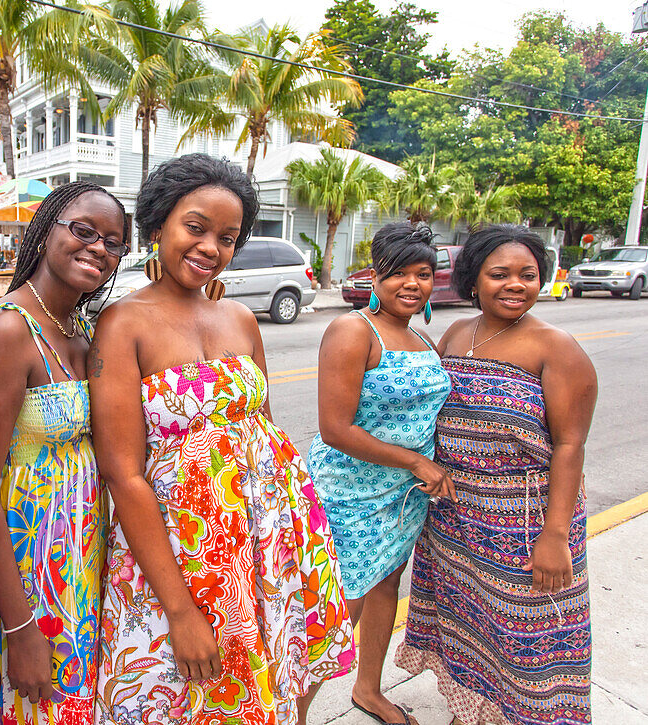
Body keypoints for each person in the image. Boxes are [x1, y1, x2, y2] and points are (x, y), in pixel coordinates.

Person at [89, 153, 355, 725]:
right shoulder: (122, 324)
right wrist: (180, 611)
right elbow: (123, 474)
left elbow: (261, 428)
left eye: (228, 238)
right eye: (196, 227)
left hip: (270, 539)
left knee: (273, 683)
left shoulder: (240, 318)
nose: (211, 247)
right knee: (177, 694)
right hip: (183, 552)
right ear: (158, 224)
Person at [396, 225, 596, 725]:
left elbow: (570, 447)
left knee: (528, 645)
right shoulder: (458, 333)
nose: (515, 285)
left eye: (528, 275)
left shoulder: (557, 347)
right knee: (473, 629)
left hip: (524, 525)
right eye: (499, 274)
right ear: (473, 280)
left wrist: (554, 537)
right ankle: (476, 712)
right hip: (456, 523)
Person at [0, 182, 130, 723]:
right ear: (46, 228)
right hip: (31, 573)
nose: (98, 248)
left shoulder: (78, 330)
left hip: (82, 558)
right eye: (83, 230)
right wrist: (19, 627)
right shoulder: (8, 329)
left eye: (113, 242)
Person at [305, 222, 453, 725]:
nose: (412, 284)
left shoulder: (422, 338)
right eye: (398, 274)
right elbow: (335, 428)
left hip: (402, 497)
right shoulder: (353, 330)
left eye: (424, 274)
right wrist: (416, 460)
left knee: (387, 586)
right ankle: (295, 712)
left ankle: (368, 690)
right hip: (348, 494)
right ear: (375, 276)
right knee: (337, 608)